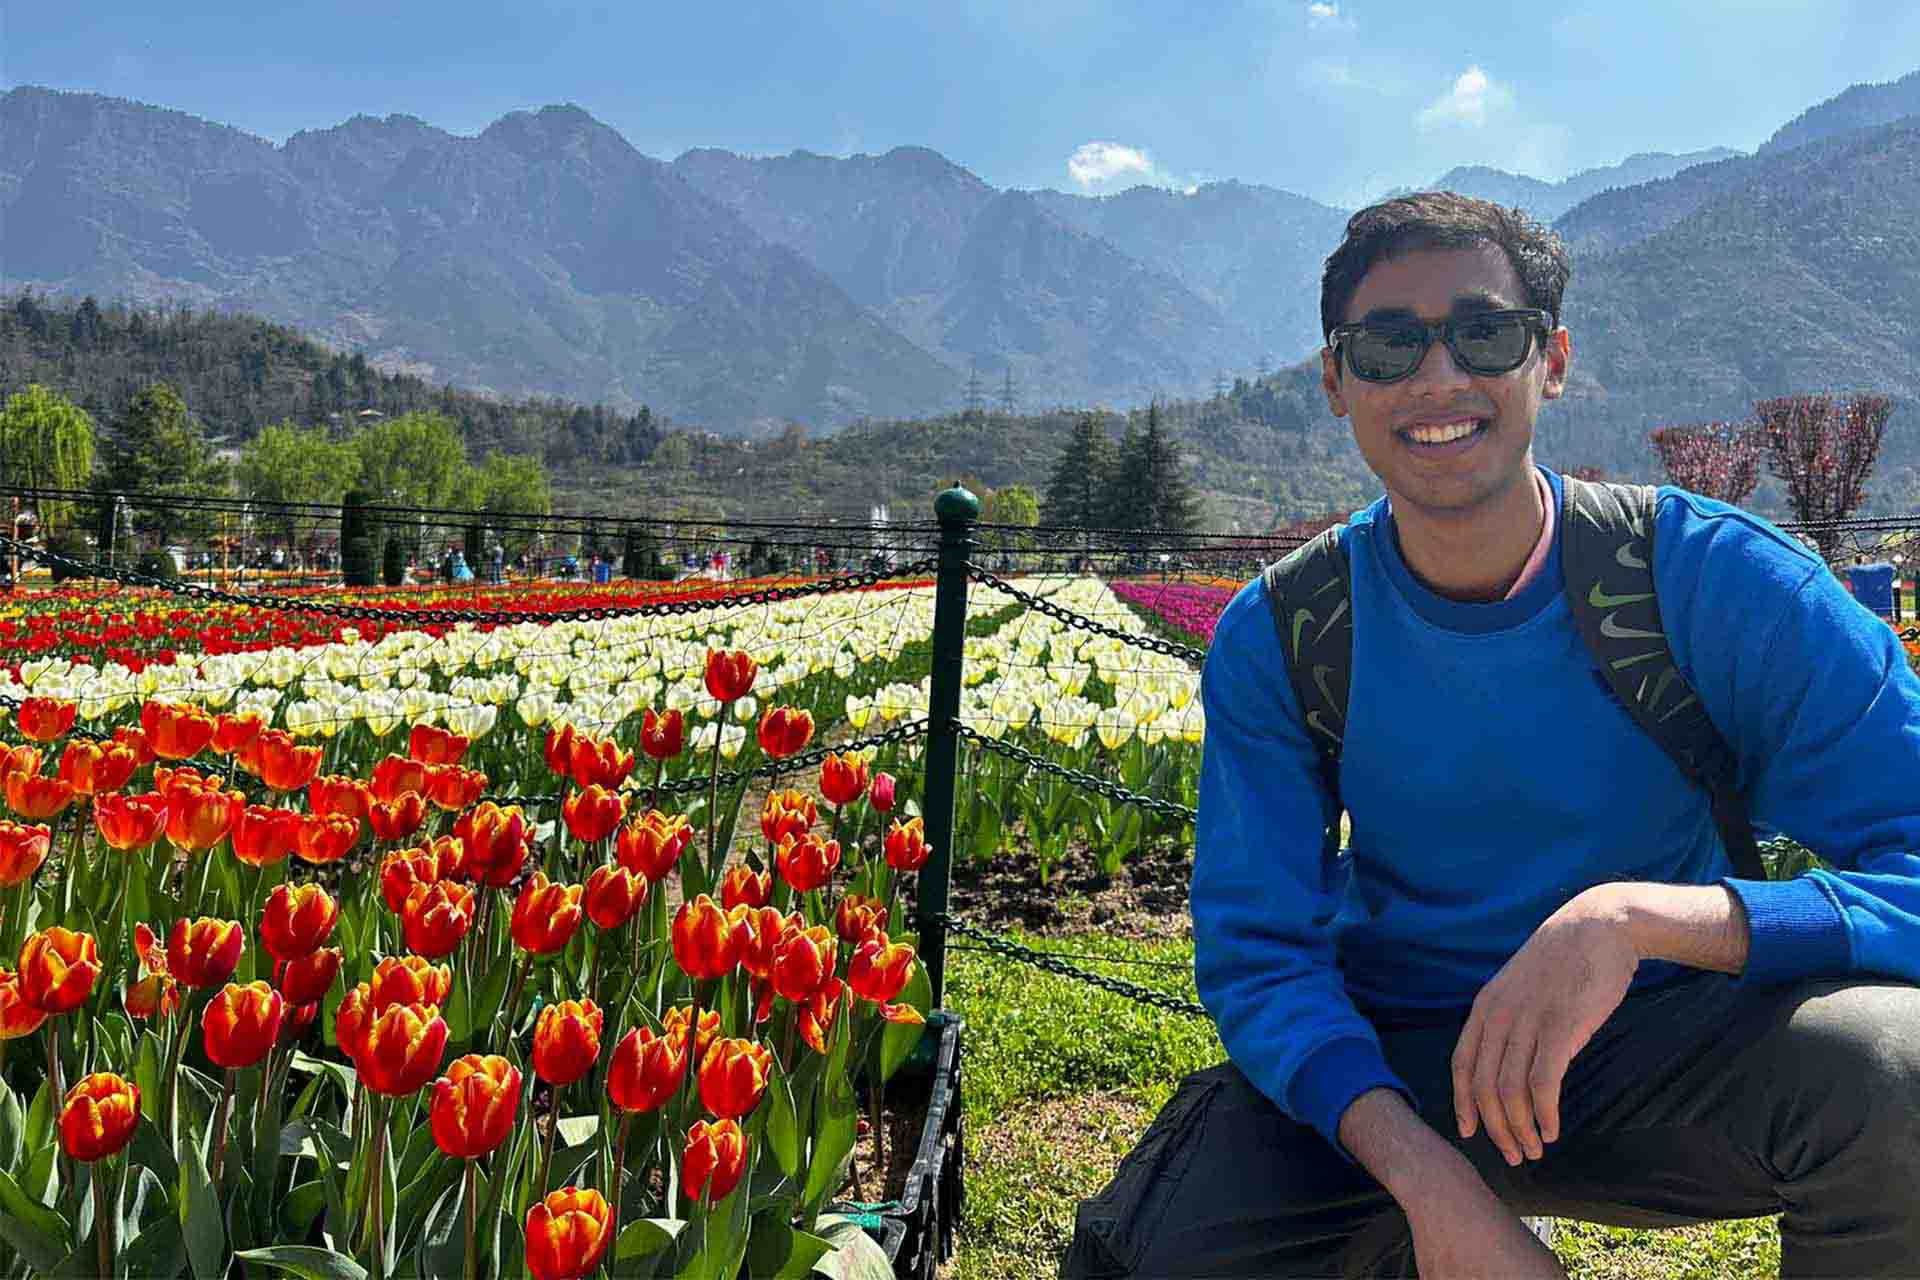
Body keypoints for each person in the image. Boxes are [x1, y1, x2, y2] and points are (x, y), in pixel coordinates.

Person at [1063, 193, 1920, 1278]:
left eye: (1484, 332)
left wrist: (1634, 921)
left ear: (1550, 359)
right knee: (1146, 1258)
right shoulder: (1289, 633)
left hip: (1659, 1042)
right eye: (1388, 343)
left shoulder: (1713, 583)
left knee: (1900, 1073)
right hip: (1396, 1062)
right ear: (1334, 380)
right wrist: (1429, 1182)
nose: (1437, 378)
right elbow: (1261, 953)